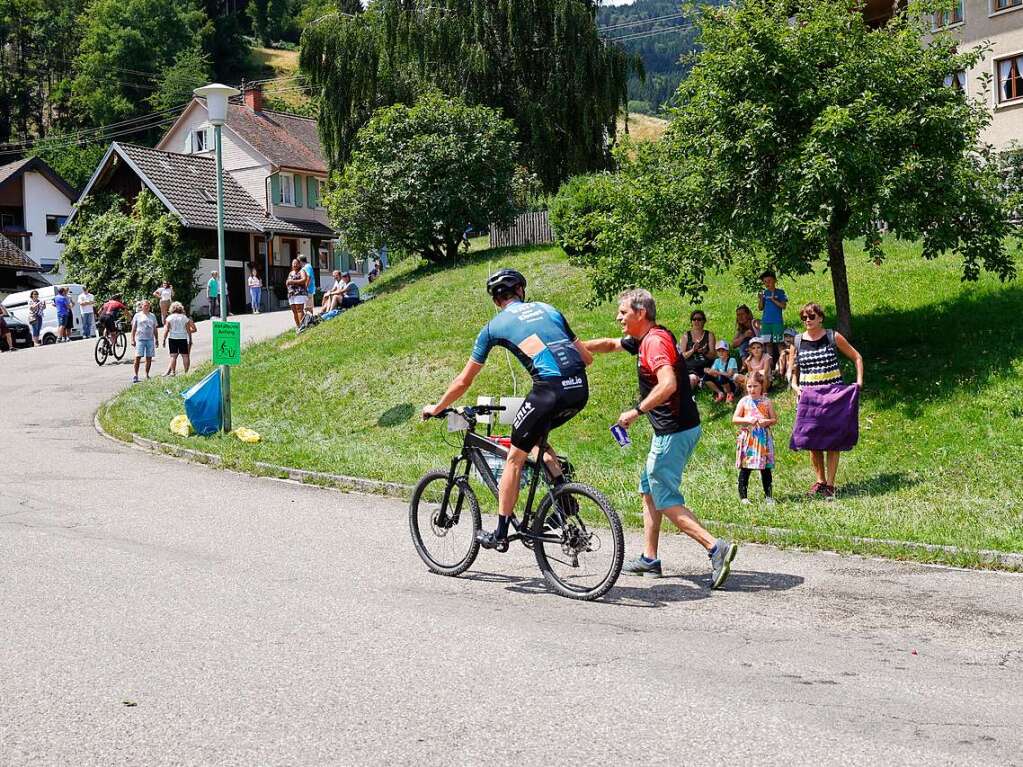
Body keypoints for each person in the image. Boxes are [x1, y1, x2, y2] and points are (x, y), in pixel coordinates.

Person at [422, 268, 592, 549]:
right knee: (537, 441)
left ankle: (501, 532)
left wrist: (437, 407)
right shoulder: (549, 309)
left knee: (514, 457)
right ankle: (565, 499)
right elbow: (585, 357)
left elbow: (465, 380)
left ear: (495, 301)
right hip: (579, 391)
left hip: (547, 392)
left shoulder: (493, 328)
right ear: (521, 292)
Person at [583, 289, 738, 589]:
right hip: (674, 429)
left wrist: (636, 411)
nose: (618, 317)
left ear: (641, 313)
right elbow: (610, 344)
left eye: (623, 312)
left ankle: (715, 547)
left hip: (674, 432)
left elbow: (667, 384)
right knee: (648, 490)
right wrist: (573, 347)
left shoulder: (654, 343)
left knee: (665, 497)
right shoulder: (647, 337)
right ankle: (649, 559)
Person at [789, 302, 864, 499]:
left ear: (820, 318)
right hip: (808, 399)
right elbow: (792, 371)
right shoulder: (796, 342)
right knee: (811, 441)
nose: (807, 321)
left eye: (811, 317)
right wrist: (795, 387)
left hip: (834, 396)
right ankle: (820, 481)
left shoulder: (833, 337)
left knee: (832, 441)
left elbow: (857, 357)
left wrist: (859, 382)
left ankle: (831, 484)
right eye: (804, 318)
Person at [733, 372, 777, 505]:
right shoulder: (744, 401)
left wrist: (767, 422)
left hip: (763, 439)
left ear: (761, 386)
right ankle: (744, 497)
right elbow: (735, 419)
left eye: (755, 386)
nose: (752, 389)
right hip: (749, 439)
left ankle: (768, 496)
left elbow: (774, 419)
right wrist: (746, 419)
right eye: (749, 386)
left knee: (765, 468)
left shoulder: (766, 401)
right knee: (746, 468)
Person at [678, 309, 716, 392]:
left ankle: (701, 383)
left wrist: (705, 352)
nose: (696, 321)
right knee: (691, 379)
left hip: (705, 368)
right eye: (694, 319)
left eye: (699, 319)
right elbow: (682, 356)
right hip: (691, 369)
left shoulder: (709, 335)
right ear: (691, 322)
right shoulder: (686, 336)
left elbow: (713, 356)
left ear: (704, 321)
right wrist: (692, 350)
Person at [758, 269, 788, 361]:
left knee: (779, 343)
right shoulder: (764, 293)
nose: (767, 284)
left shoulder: (780, 292)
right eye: (765, 282)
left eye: (769, 281)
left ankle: (783, 366)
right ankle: (769, 366)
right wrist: (760, 299)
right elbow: (760, 308)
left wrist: (773, 300)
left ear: (775, 280)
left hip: (777, 322)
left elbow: (783, 306)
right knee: (768, 344)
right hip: (766, 322)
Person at [161, 301, 195, 376]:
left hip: (173, 338)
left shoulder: (169, 318)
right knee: (185, 356)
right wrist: (190, 339)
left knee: (173, 356)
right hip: (183, 338)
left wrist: (164, 339)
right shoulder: (184, 317)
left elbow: (166, 329)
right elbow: (188, 330)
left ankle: (173, 372)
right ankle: (186, 372)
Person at [130, 300, 158, 382]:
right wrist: (132, 339)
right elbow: (133, 328)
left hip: (150, 339)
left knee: (149, 357)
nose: (146, 307)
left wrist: (156, 339)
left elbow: (155, 328)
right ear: (141, 306)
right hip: (140, 339)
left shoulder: (152, 316)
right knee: (138, 357)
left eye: (148, 306)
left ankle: (147, 374)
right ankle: (135, 375)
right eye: (145, 305)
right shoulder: (137, 315)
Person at [286, 258, 309, 328]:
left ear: (299, 264)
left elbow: (304, 280)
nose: (294, 265)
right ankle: (298, 327)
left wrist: (292, 282)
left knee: (299, 310)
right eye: (293, 263)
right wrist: (287, 283)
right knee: (294, 311)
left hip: (300, 293)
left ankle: (302, 326)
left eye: (296, 263)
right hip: (291, 294)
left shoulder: (302, 271)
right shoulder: (291, 272)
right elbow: (288, 281)